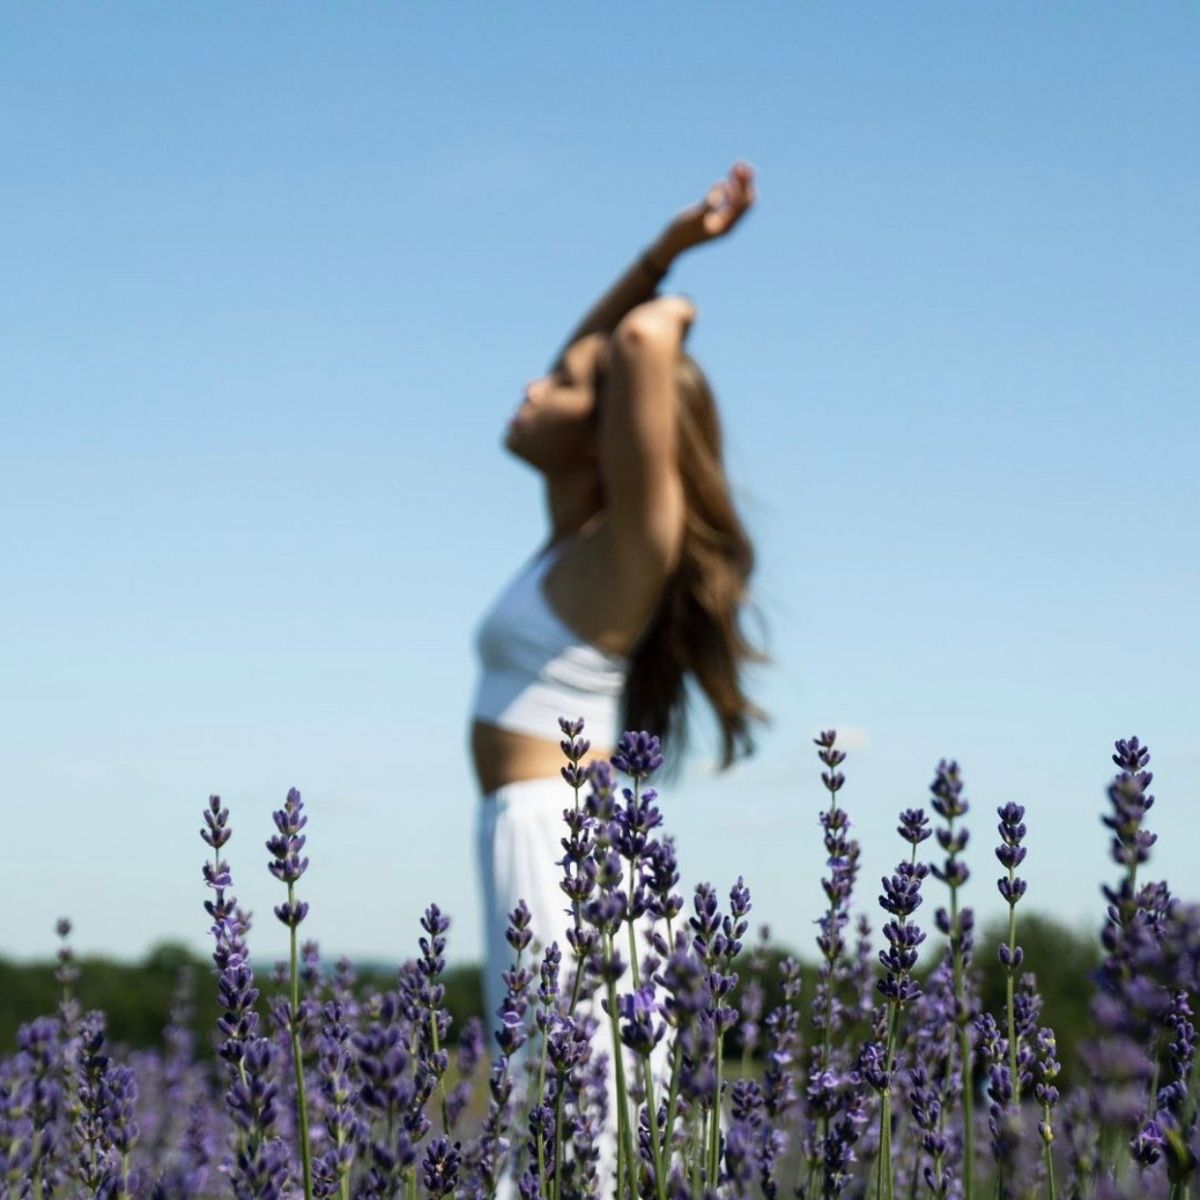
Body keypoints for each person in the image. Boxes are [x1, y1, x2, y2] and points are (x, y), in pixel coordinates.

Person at [470, 161, 765, 1191]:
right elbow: (597, 356)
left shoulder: (631, 546)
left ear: (606, 436)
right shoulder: (577, 541)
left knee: (576, 1132)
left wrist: (673, 300)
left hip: (573, 846)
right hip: (543, 830)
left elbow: (633, 345)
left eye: (560, 390)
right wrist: (661, 250)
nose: (533, 384)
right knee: (558, 1122)